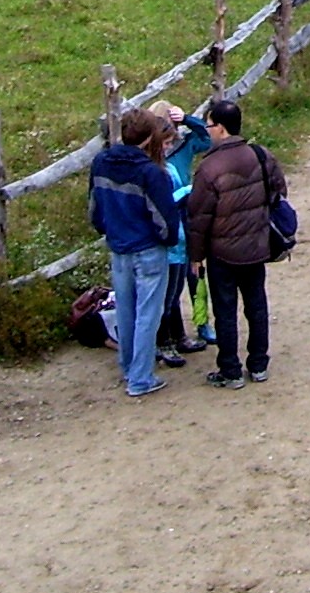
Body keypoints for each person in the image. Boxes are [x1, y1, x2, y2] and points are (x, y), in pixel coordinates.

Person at [187, 96, 286, 389]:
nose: (206, 131)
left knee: (225, 312)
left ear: (220, 128)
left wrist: (196, 257)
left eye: (208, 125)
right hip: (256, 247)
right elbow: (279, 191)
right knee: (256, 305)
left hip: (223, 254)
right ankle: (258, 364)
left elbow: (199, 218)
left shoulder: (209, 169)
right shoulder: (260, 154)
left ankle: (230, 370)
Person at [89, 106, 180, 398]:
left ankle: (128, 366)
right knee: (148, 314)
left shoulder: (101, 162)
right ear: (148, 137)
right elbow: (164, 219)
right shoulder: (151, 173)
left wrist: (107, 230)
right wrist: (167, 240)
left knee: (126, 311)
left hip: (119, 247)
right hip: (148, 248)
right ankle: (141, 378)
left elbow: (95, 208)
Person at [155, 103, 211, 368]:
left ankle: (202, 322)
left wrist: (189, 118)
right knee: (174, 284)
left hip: (188, 215)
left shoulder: (184, 144)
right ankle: (176, 336)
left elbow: (207, 139)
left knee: (196, 275)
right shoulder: (155, 160)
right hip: (173, 219)